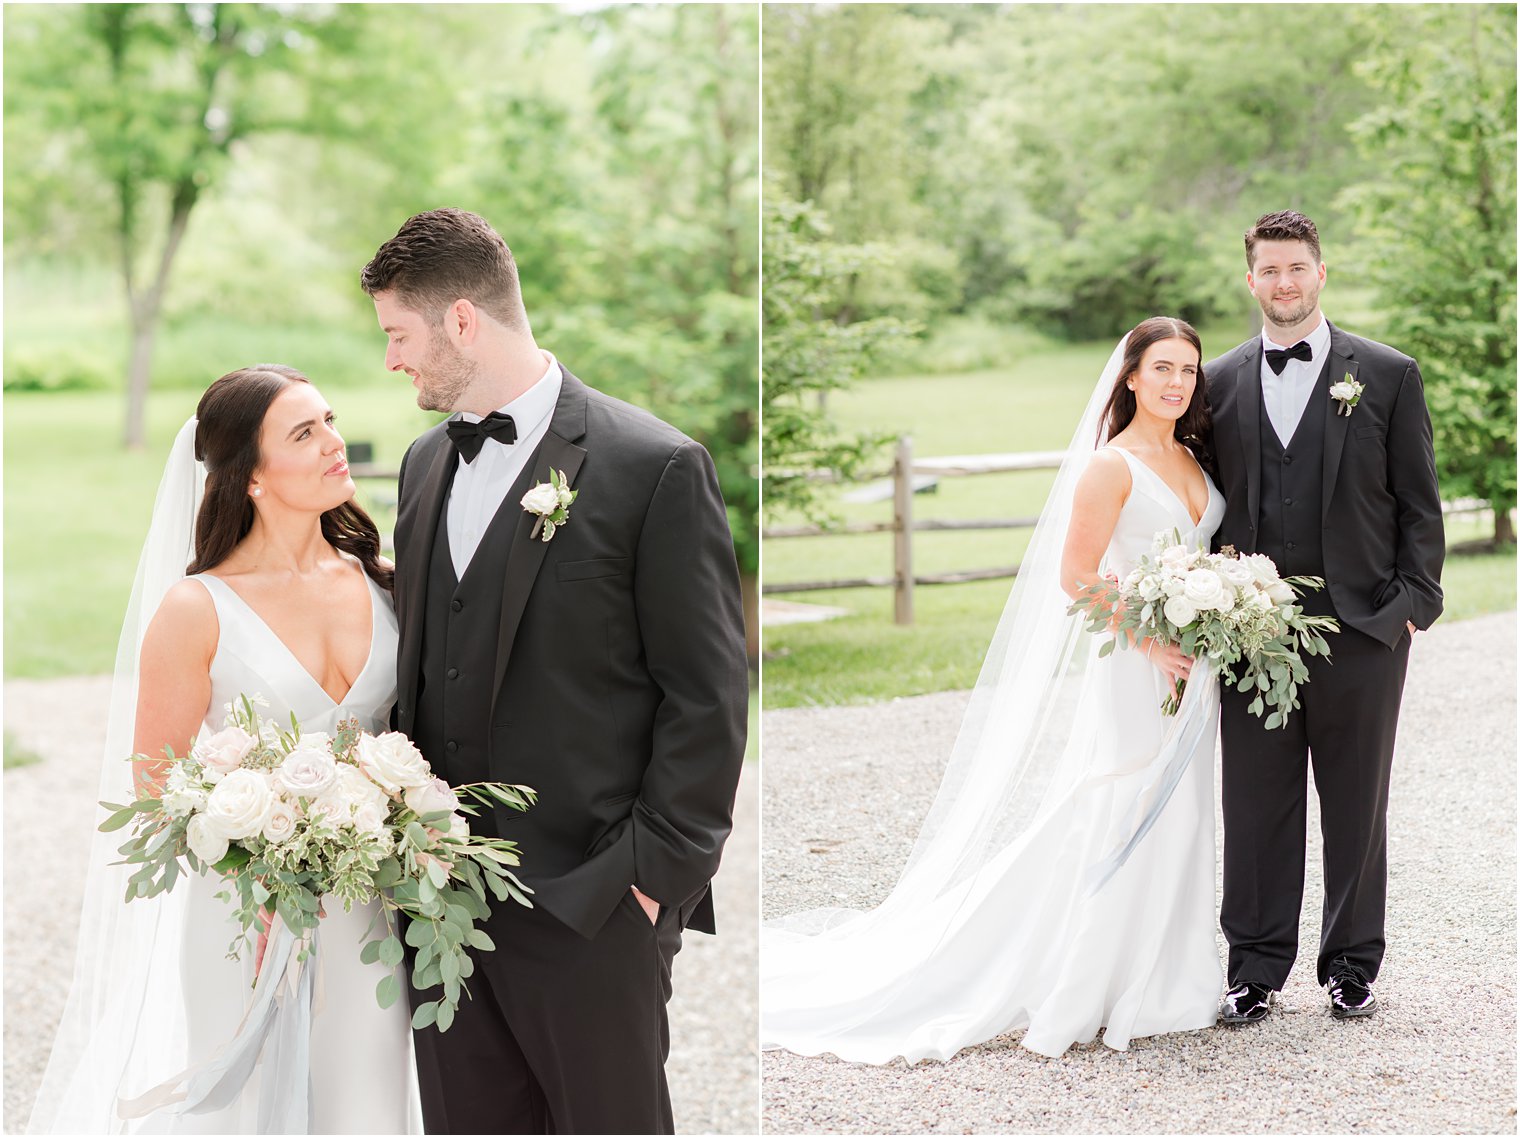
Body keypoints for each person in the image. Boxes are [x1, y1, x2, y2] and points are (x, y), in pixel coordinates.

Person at [361, 208, 748, 1134]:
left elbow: (709, 697)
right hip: (439, 909)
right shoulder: (423, 466)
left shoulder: (653, 465)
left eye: (398, 336)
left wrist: (647, 884)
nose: (391, 361)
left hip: (592, 906)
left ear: (462, 321)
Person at [761, 316, 1224, 1063]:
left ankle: (1173, 975)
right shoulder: (1113, 465)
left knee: (1187, 801)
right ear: (1130, 377)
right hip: (1138, 663)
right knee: (1125, 794)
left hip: (1194, 662)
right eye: (1162, 368)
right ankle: (1091, 977)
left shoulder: (1195, 456)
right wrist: (1149, 642)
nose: (1177, 383)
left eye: (1188, 371)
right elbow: (1076, 576)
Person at [27, 366, 419, 1134]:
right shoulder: (196, 608)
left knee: (366, 1102)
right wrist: (261, 848)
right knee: (248, 1105)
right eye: (304, 434)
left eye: (330, 421)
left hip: (370, 905)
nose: (336, 444)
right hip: (247, 913)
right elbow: (155, 786)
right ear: (251, 479)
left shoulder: (384, 584)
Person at [1206, 210, 1444, 1026]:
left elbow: (1420, 505)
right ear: (1250, 280)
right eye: (1268, 270)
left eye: (1296, 268)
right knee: (1256, 802)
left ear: (1321, 272)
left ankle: (1350, 966)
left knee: (1356, 802)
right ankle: (1254, 969)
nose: (1283, 283)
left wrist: (1411, 606)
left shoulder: (1385, 372)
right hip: (1252, 631)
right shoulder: (1221, 381)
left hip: (1364, 629)